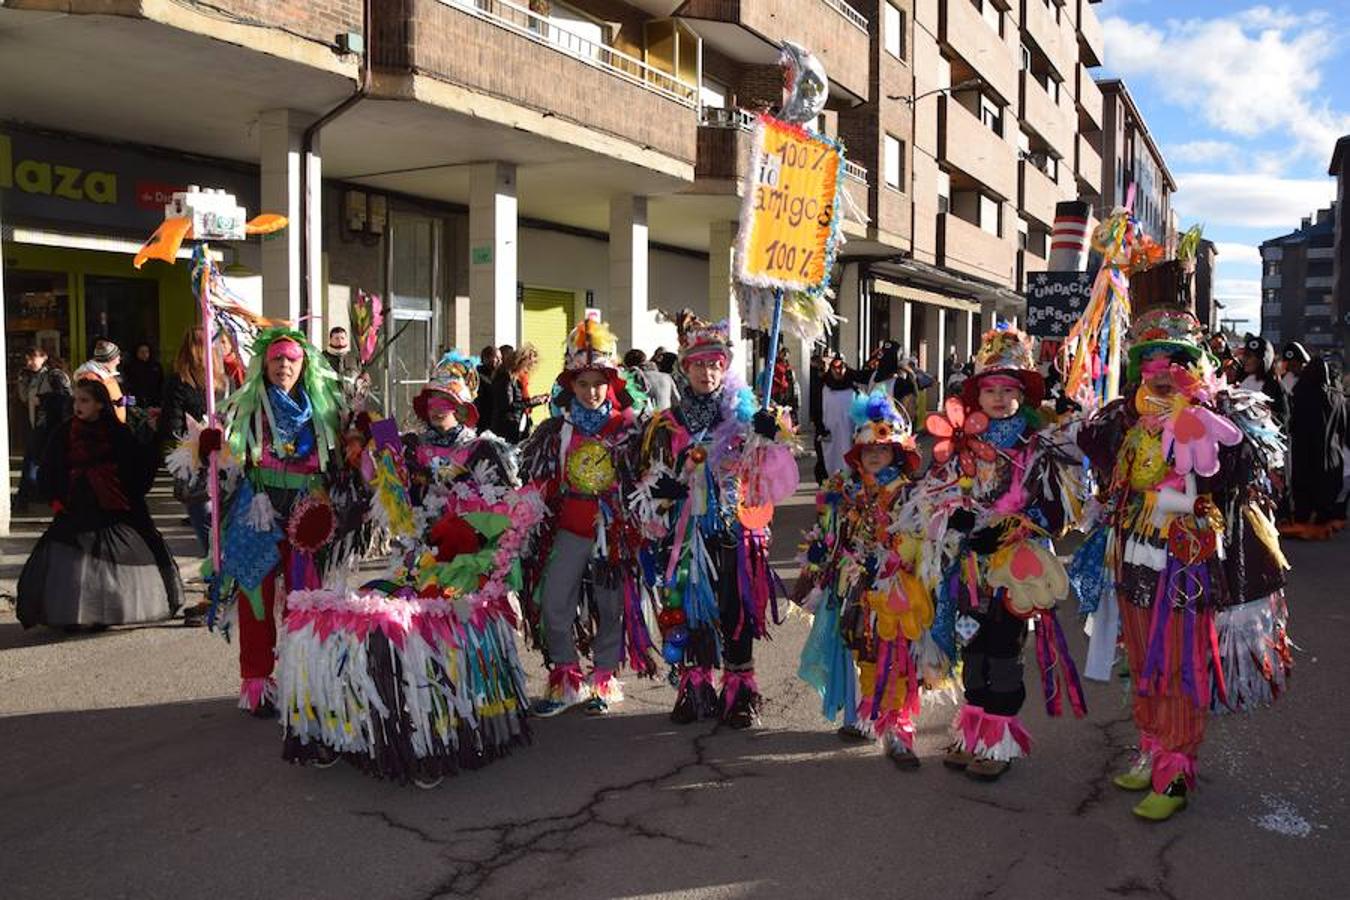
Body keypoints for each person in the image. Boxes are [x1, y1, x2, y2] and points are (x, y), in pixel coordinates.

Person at [1076, 307, 1291, 821]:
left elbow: (1236, 475)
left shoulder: (1214, 417)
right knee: (1143, 657)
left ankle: (1176, 769)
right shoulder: (1125, 422)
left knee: (1176, 662)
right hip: (1132, 556)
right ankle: (1151, 746)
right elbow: (1098, 456)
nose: (1161, 375)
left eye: (1174, 364)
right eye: (1149, 366)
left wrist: (1194, 425)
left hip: (1184, 563)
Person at [908, 327, 1087, 782]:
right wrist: (955, 517)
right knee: (975, 648)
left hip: (1015, 568)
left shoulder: (1037, 443)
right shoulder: (960, 440)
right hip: (968, 566)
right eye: (991, 390)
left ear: (1021, 396)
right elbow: (932, 492)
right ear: (977, 395)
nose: (1000, 398)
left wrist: (1009, 526)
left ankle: (1000, 740)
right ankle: (973, 730)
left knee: (1005, 650)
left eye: (1009, 391)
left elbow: (1056, 509)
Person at [633, 311, 798, 729]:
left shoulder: (744, 419)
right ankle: (695, 686)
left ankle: (741, 691)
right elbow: (650, 474)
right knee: (687, 611)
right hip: (685, 537)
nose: (707, 372)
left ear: (725, 368)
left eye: (715, 364)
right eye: (699, 364)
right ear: (684, 368)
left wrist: (768, 436)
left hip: (734, 530)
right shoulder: (666, 423)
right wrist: (662, 489)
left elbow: (771, 475)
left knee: (735, 609)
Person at [205, 327, 352, 715]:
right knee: (257, 596)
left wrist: (364, 435)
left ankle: (302, 679)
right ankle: (256, 683)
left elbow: (346, 458)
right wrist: (210, 448)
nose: (284, 365)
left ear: (304, 365)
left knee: (305, 599)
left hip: (308, 511)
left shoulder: (324, 410)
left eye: (291, 359)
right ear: (264, 365)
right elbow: (223, 461)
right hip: (258, 511)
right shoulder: (247, 408)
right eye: (276, 359)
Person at [795, 390, 935, 768]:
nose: (875, 454)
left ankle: (898, 731)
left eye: (884, 449)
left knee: (894, 655)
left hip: (894, 588)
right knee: (856, 648)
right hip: (852, 585)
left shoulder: (908, 493)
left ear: (897, 454)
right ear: (858, 455)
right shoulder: (845, 490)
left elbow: (923, 539)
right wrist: (820, 562)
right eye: (868, 449)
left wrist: (895, 556)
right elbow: (830, 534)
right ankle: (862, 715)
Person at [519, 319, 651, 716]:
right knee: (555, 601)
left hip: (614, 532)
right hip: (570, 527)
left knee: (612, 606)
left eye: (598, 383)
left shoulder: (630, 429)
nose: (591, 392)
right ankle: (566, 677)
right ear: (570, 387)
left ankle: (605, 679)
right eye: (582, 384)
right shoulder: (556, 430)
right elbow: (540, 480)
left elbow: (650, 473)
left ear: (610, 384)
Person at [16, 379, 184, 630]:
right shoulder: (64, 433)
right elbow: (49, 468)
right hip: (76, 506)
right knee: (72, 562)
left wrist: (152, 437)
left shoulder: (116, 432)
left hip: (113, 508)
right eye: (76, 400)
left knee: (112, 562)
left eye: (84, 400)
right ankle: (73, 613)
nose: (77, 406)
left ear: (99, 405)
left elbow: (137, 464)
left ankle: (109, 610)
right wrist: (55, 498)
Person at [404, 351, 484, 505]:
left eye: (443, 405)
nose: (435, 411)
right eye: (431, 405)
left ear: (459, 411)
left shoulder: (474, 447)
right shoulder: (415, 445)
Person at [1285, 355, 1347, 539]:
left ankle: (1303, 525)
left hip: (1306, 451)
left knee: (1304, 489)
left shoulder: (1303, 393)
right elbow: (1343, 425)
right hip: (1332, 452)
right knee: (1325, 490)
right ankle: (1321, 524)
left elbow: (1294, 424)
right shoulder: (1337, 396)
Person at [14, 347, 72, 509]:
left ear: (44, 357)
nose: (30, 363)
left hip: (51, 425)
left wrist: (45, 400)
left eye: (33, 359)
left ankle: (25, 497)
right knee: (36, 461)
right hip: (38, 424)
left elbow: (65, 398)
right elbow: (25, 398)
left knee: (33, 461)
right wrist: (22, 380)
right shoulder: (33, 377)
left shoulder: (54, 375)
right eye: (27, 360)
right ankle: (32, 496)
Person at [490, 342, 548, 443]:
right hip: (506, 427)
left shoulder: (512, 377)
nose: (528, 369)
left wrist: (534, 401)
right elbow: (508, 405)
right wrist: (534, 402)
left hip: (514, 424)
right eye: (528, 365)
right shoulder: (506, 378)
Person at [819, 353, 863, 476]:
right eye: (836, 368)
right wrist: (820, 429)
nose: (839, 371)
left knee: (848, 461)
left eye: (842, 367)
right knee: (830, 462)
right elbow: (817, 410)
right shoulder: (824, 387)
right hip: (830, 432)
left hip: (849, 433)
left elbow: (861, 414)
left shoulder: (854, 390)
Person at [1238, 335, 1289, 429]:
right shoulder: (1241, 380)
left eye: (1249, 356)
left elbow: (1282, 419)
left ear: (1263, 361)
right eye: (1244, 355)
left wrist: (1262, 414)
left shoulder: (1274, 386)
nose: (1244, 359)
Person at [74, 339, 127, 422]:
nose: (119, 361)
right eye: (117, 357)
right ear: (109, 359)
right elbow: (91, 404)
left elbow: (114, 398)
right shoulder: (91, 378)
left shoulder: (107, 375)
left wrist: (127, 401)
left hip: (112, 425)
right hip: (101, 428)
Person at [122, 341, 164, 409]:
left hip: (153, 401)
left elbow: (160, 384)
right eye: (141, 352)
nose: (144, 354)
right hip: (135, 401)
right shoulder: (129, 367)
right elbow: (127, 386)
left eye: (146, 351)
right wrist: (130, 405)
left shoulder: (156, 366)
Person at [808, 351, 828, 484]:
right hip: (820, 419)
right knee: (821, 450)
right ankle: (822, 478)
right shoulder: (815, 379)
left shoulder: (827, 382)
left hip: (826, 420)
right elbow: (814, 400)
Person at [769, 344, 800, 425]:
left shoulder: (787, 365)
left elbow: (790, 378)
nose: (785, 356)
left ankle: (786, 425)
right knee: (778, 409)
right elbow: (773, 376)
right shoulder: (776, 364)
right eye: (784, 354)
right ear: (780, 354)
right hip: (778, 391)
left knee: (786, 410)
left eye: (787, 355)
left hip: (786, 391)